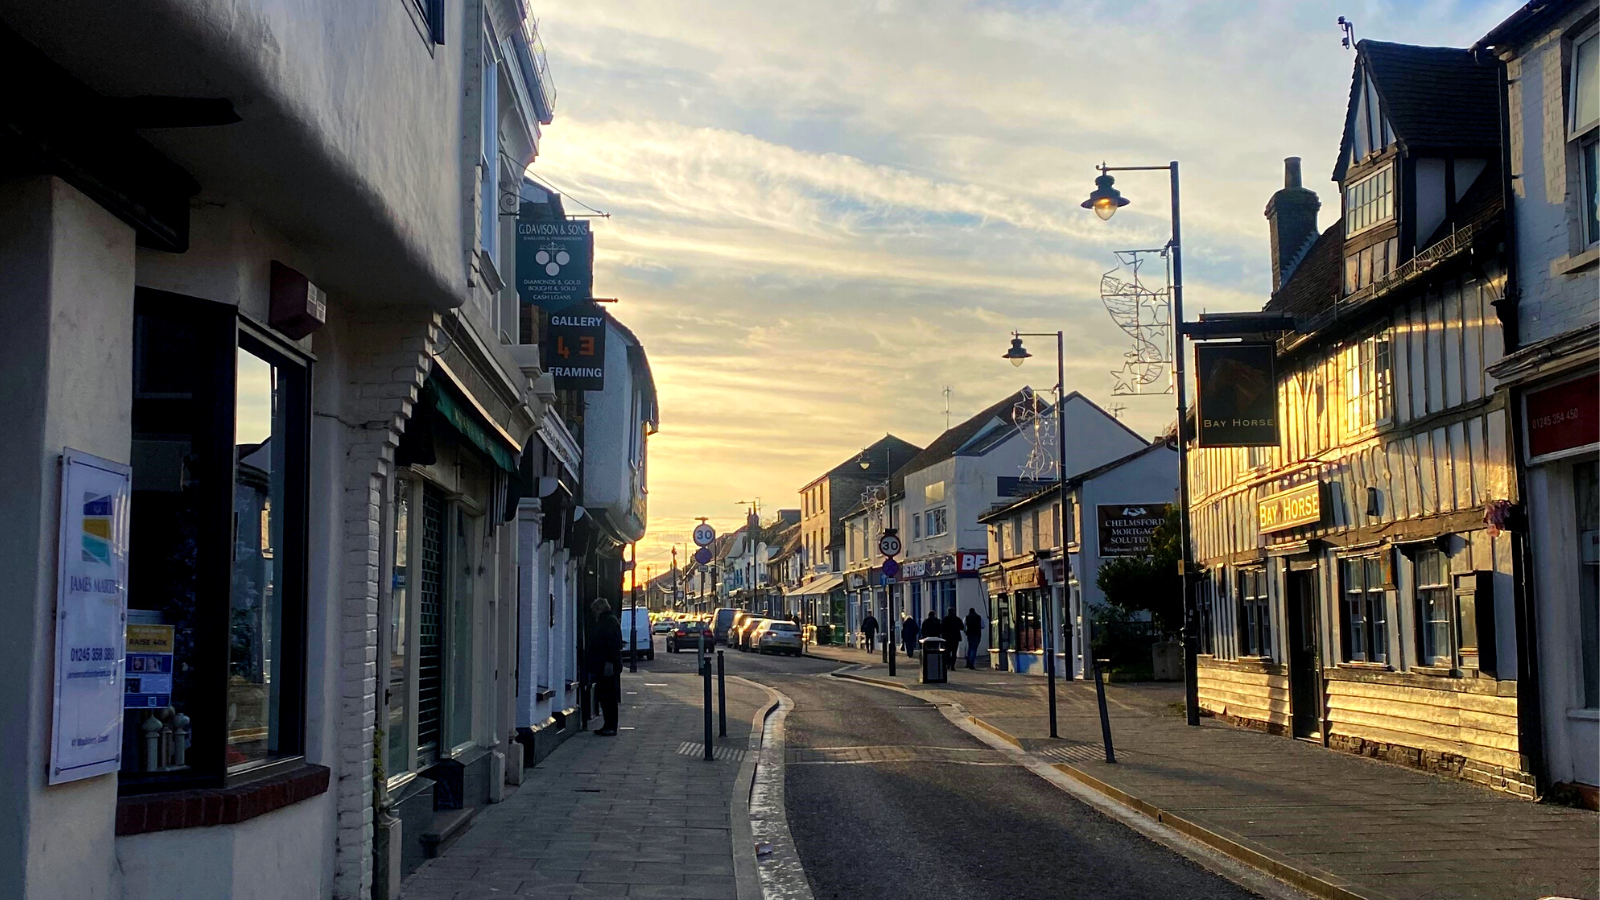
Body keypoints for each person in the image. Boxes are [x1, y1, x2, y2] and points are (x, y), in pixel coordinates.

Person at [588, 598, 623, 736]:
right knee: (606, 696)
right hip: (605, 665)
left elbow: (613, 644)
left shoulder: (608, 622)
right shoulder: (609, 620)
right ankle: (608, 725)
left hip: (607, 666)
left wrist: (609, 663)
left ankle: (610, 726)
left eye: (595, 610)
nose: (594, 613)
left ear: (600, 609)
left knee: (608, 696)